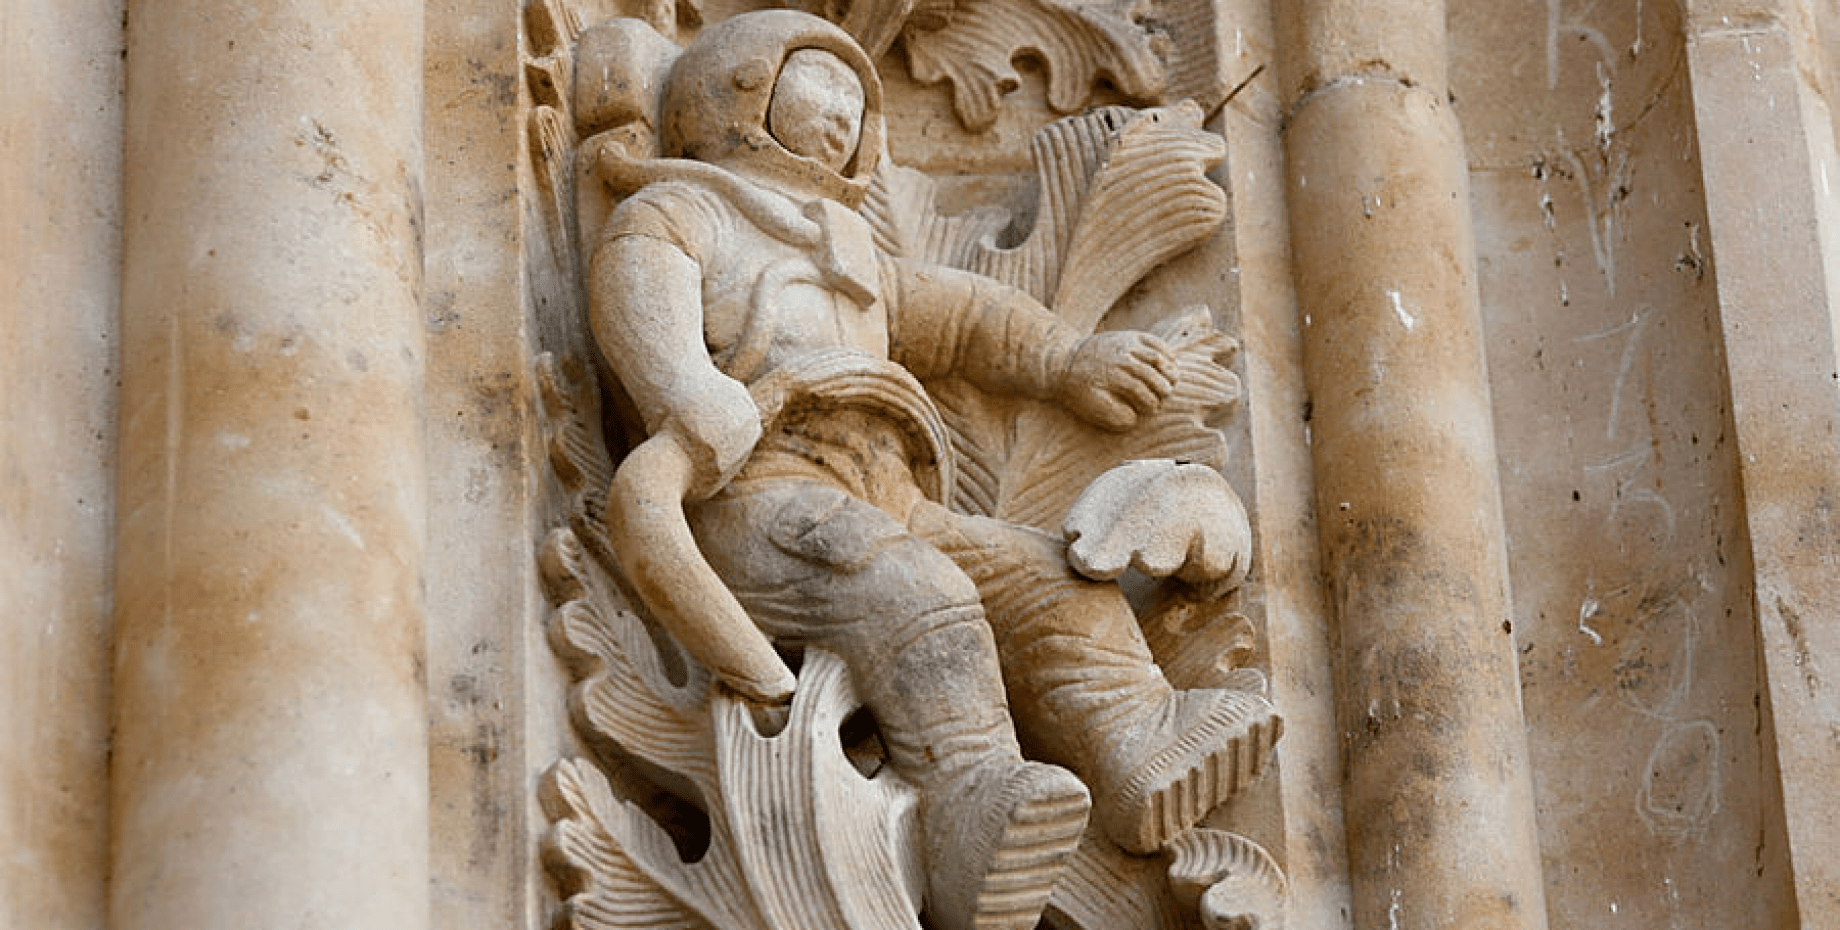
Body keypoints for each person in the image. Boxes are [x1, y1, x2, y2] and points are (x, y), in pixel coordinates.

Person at [590, 12, 1278, 930]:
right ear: (741, 95)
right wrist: (683, 387)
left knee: (1046, 580)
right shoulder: (681, 210)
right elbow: (637, 296)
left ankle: (1137, 741)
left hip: (890, 490)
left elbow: (961, 317)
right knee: (918, 597)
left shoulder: (850, 247)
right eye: (814, 93)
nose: (837, 118)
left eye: (851, 103)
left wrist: (1066, 361)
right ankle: (972, 802)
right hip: (757, 491)